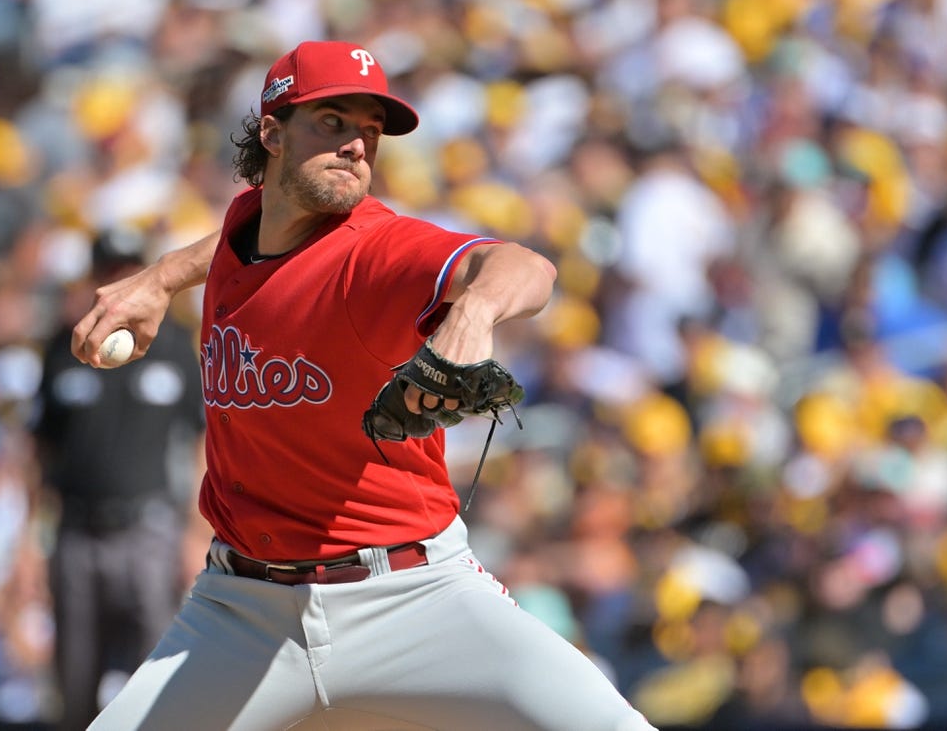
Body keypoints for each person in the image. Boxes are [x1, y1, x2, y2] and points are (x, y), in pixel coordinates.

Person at [71, 40, 657, 730]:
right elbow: (234, 235)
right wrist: (159, 277)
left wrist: (472, 311)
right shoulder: (246, 225)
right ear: (272, 133)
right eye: (332, 122)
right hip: (242, 612)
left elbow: (523, 266)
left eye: (370, 132)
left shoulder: (375, 251)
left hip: (412, 597)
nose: (355, 145)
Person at [33, 227, 205, 730]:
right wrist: (29, 540)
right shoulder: (62, 347)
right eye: (110, 270)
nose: (121, 279)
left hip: (149, 527)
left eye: (130, 268)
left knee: (154, 669)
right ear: (95, 280)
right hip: (76, 529)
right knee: (74, 674)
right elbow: (39, 450)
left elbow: (201, 441)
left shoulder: (173, 346)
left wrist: (195, 531)